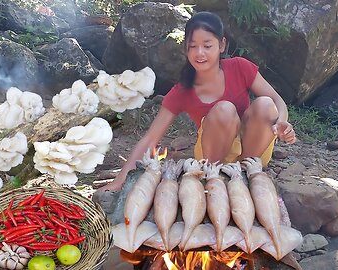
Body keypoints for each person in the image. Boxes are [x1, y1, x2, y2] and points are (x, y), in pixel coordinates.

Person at [98, 11, 296, 192]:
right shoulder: (182, 90)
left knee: (266, 105)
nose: (200, 53)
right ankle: (213, 181)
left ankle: (246, 177)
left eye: (207, 46)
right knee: (224, 110)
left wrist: (281, 123)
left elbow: (278, 102)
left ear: (222, 45)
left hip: (252, 151)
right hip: (214, 156)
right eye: (193, 46)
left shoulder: (239, 67)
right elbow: (150, 139)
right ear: (186, 49)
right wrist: (120, 180)